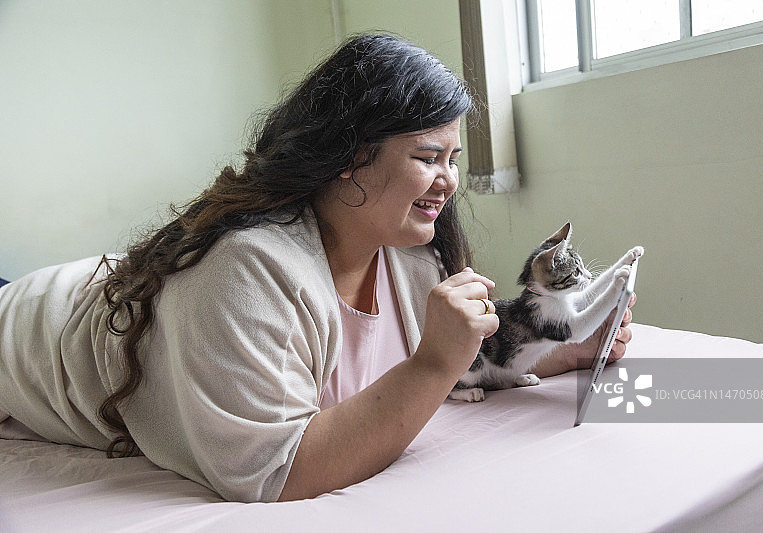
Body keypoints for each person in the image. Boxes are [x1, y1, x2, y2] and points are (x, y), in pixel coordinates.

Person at [0, 33, 634, 503]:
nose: (449, 182)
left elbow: (460, 355)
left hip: (97, 285)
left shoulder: (410, 253)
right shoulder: (247, 269)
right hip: (28, 329)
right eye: (428, 156)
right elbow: (276, 470)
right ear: (349, 157)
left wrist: (557, 350)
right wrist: (433, 365)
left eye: (454, 158)